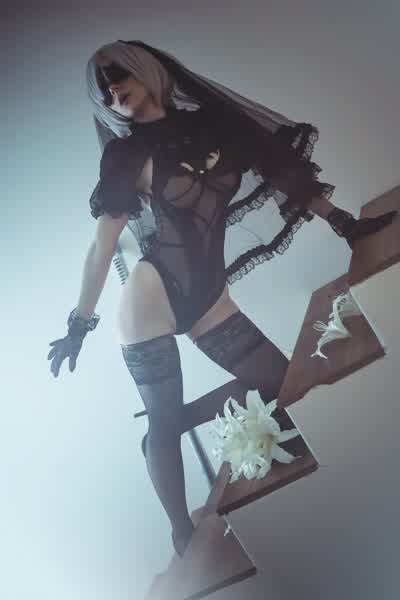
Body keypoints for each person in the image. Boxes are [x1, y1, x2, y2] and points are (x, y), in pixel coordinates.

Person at [47, 40, 398, 557]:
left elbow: (281, 170)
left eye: (117, 72)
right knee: (166, 425)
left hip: (207, 293)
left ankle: (175, 421)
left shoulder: (213, 122)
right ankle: (182, 536)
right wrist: (78, 325)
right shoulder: (124, 154)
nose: (111, 88)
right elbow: (102, 246)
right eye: (101, 86)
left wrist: (344, 223)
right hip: (151, 298)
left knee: (282, 382)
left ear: (145, 67)